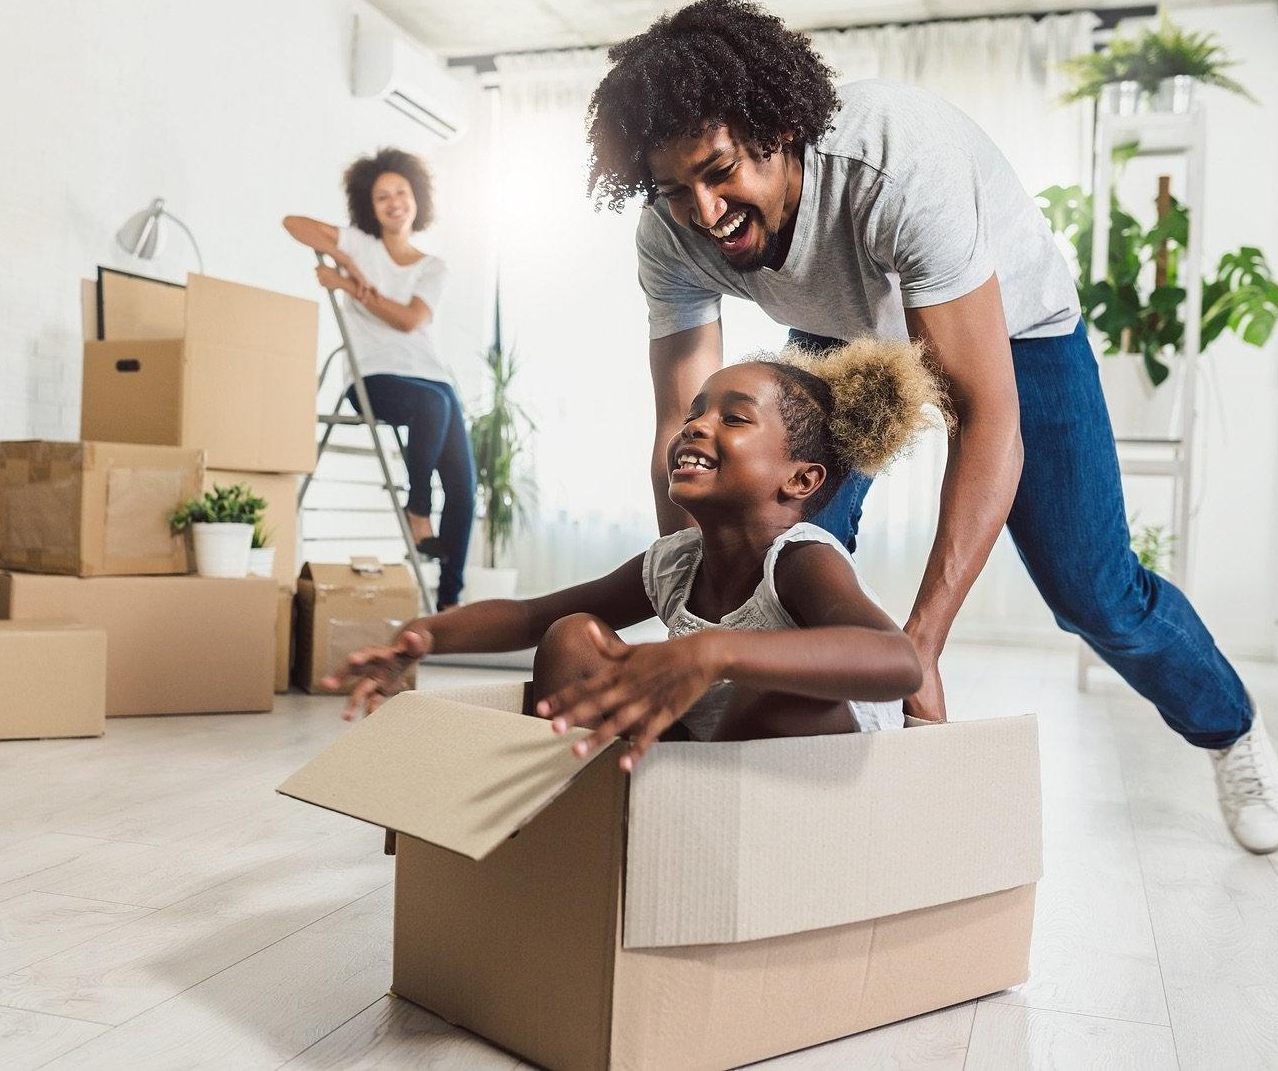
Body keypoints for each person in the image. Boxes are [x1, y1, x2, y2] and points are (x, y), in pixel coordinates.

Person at [582, 0, 1278, 852]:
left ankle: (1230, 728)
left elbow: (986, 417)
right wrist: (696, 598)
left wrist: (921, 647)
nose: (704, 211)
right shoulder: (670, 233)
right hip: (838, 330)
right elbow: (682, 431)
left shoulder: (895, 166)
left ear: (776, 131)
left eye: (721, 170)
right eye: (674, 186)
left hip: (1015, 332)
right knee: (775, 535)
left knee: (1093, 592)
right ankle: (793, 784)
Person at [325, 340, 941, 771]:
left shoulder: (801, 560)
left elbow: (897, 662)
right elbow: (531, 617)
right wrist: (424, 635)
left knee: (766, 688)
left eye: (734, 418)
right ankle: (591, 815)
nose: (697, 426)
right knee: (573, 637)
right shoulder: (676, 562)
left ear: (800, 481)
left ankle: (694, 819)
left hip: (814, 760)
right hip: (703, 751)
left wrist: (713, 650)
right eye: (696, 411)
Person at [283, 147, 475, 610]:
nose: (393, 202)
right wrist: (346, 261)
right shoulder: (361, 245)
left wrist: (349, 287)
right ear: (369, 206)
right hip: (374, 379)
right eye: (382, 196)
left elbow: (410, 320)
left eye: (401, 193)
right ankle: (418, 509)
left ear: (417, 199)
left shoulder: (433, 266)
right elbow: (293, 223)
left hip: (432, 379)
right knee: (434, 405)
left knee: (465, 491)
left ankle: (449, 603)